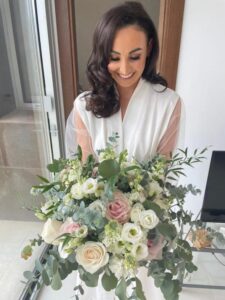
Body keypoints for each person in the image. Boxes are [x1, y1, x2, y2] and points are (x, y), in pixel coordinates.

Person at [66, 1, 181, 299]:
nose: (125, 69)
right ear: (102, 55)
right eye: (114, 58)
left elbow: (162, 173)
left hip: (144, 229)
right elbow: (86, 174)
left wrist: (142, 219)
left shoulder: (168, 104)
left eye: (135, 56)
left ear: (150, 48)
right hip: (102, 231)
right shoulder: (85, 106)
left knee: (143, 288)